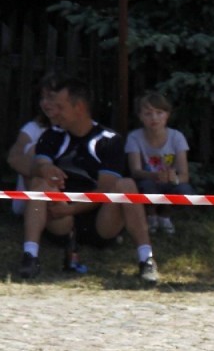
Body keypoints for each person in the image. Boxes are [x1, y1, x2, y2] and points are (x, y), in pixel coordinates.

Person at [17, 76, 161, 283]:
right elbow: (37, 165)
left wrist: (71, 209)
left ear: (79, 107)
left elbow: (105, 190)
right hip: (61, 219)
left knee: (127, 185)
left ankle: (146, 259)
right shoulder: (51, 135)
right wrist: (45, 168)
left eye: (60, 107)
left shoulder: (109, 140)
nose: (54, 112)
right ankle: (30, 256)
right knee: (39, 182)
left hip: (100, 221)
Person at [125, 91, 194, 235]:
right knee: (146, 186)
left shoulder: (177, 137)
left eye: (159, 112)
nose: (154, 118)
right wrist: (155, 175)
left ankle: (165, 216)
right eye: (148, 113)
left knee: (185, 191)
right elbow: (135, 171)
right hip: (148, 182)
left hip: (170, 182)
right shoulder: (134, 137)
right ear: (140, 116)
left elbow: (184, 175)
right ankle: (151, 216)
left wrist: (174, 178)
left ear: (167, 114)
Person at [6, 72, 59, 216]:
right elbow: (13, 158)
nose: (45, 103)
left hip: (60, 190)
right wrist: (41, 171)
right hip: (32, 193)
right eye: (42, 97)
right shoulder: (33, 128)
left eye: (50, 97)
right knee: (34, 149)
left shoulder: (73, 129)